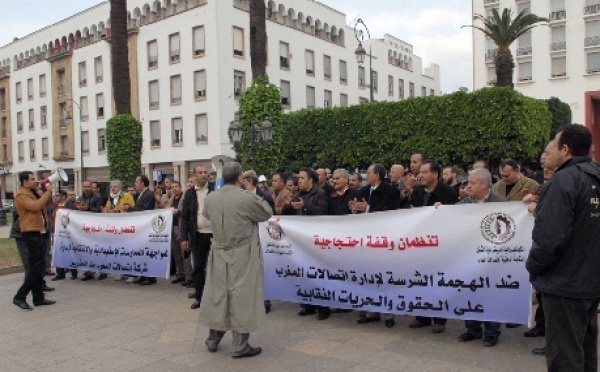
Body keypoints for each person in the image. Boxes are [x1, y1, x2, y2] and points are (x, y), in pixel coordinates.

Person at [526, 125, 600, 371]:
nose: (549, 152)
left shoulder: (564, 180)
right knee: (586, 352)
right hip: (589, 282)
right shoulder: (595, 176)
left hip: (564, 284)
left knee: (565, 358)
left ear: (565, 149)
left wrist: (533, 266)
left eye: (554, 145)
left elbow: (549, 238)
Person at [200, 162, 273, 358]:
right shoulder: (245, 198)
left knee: (219, 296)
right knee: (242, 298)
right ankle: (240, 346)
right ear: (240, 178)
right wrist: (251, 192)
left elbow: (207, 214)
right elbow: (266, 212)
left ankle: (212, 340)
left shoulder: (211, 198)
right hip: (242, 255)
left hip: (219, 253)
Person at [456, 169, 505, 347]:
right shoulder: (463, 204)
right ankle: (473, 329)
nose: (468, 186)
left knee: (491, 294)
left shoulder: (501, 203)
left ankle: (492, 332)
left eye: (472, 183)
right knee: (469, 292)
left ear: (484, 185)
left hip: (491, 260)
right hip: (468, 259)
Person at [408, 160, 458, 333]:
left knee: (438, 280)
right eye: (419, 172)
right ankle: (422, 315)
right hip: (419, 243)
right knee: (419, 279)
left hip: (439, 244)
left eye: (424, 172)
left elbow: (452, 218)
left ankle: (439, 318)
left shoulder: (448, 193)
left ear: (435, 174)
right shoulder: (417, 191)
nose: (420, 175)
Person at [351, 163, 401, 327]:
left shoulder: (391, 191)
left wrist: (369, 208)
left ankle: (388, 313)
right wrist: (355, 209)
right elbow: (358, 212)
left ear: (377, 175)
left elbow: (391, 212)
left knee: (384, 277)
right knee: (367, 276)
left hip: (384, 240)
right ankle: (370, 310)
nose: (367, 176)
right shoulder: (363, 191)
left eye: (370, 173)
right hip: (366, 240)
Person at [282, 168, 330, 319]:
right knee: (302, 272)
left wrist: (305, 206)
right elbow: (288, 214)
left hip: (316, 240)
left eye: (302, 178)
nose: (299, 181)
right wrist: (287, 206)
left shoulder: (321, 194)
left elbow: (323, 213)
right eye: (299, 178)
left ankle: (323, 308)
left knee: (318, 274)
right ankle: (307, 304)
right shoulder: (299, 194)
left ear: (311, 180)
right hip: (301, 240)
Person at [13, 171, 56, 310]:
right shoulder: (21, 195)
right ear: (24, 181)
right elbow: (35, 206)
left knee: (40, 266)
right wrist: (47, 192)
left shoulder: (34, 192)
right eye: (32, 179)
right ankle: (20, 296)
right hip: (31, 233)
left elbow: (48, 203)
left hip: (41, 231)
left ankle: (38, 298)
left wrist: (45, 191)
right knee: (37, 268)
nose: (35, 181)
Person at [180, 165, 214, 309]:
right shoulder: (189, 194)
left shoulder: (215, 190)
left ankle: (216, 298)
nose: (204, 175)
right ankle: (200, 297)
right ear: (194, 176)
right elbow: (185, 217)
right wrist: (184, 238)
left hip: (215, 235)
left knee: (216, 268)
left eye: (206, 172)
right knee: (198, 268)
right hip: (197, 235)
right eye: (200, 172)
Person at [124, 175, 156, 285]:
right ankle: (143, 274)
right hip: (141, 228)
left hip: (146, 227)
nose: (135, 184)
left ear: (142, 183)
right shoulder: (140, 194)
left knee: (147, 252)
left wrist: (130, 209)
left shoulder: (149, 194)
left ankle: (150, 277)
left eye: (136, 182)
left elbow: (144, 210)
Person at [167, 181, 192, 287]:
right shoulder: (171, 199)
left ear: (180, 188)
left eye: (176, 187)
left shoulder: (185, 197)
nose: (174, 189)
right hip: (172, 227)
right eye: (172, 187)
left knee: (185, 253)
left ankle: (189, 276)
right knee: (176, 253)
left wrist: (179, 211)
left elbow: (187, 211)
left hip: (181, 227)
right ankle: (180, 274)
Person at [50, 190, 78, 281]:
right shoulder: (54, 206)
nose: (55, 197)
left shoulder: (70, 206)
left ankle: (74, 272)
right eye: (55, 196)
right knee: (58, 252)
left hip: (67, 233)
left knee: (70, 252)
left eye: (58, 196)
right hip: (56, 233)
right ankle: (60, 273)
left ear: (64, 197)